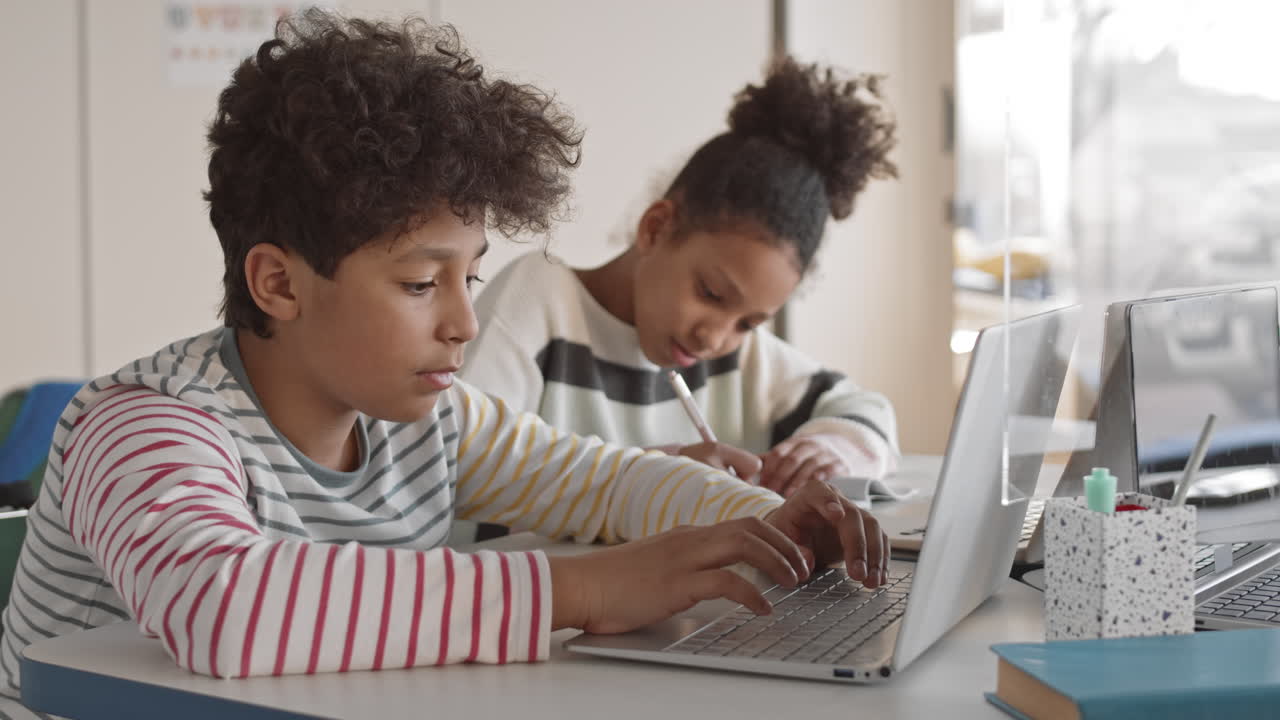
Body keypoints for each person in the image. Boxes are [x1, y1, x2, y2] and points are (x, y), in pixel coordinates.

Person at [0, 11, 888, 715]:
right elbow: (225, 608)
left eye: (472, 277)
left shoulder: (431, 421)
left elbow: (608, 482)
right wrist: (583, 589)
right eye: (422, 283)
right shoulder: (144, 424)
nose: (465, 323)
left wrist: (767, 522)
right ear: (279, 282)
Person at [462, 57, 902, 497]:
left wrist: (827, 451)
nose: (715, 338)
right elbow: (462, 462)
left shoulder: (739, 359)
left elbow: (866, 409)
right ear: (656, 229)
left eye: (749, 323)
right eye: (711, 293)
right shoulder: (541, 303)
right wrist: (656, 479)